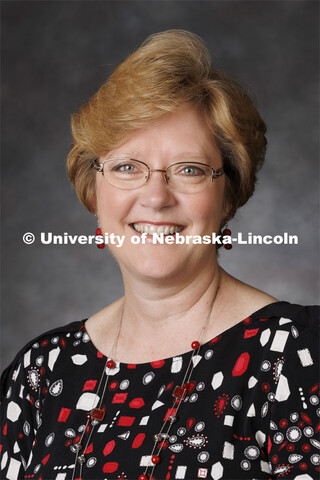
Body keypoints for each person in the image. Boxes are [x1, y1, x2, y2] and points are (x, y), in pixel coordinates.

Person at [1, 30, 319, 480]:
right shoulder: (40, 371)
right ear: (94, 191)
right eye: (127, 167)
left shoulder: (299, 356)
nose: (155, 197)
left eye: (188, 170)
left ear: (227, 197)